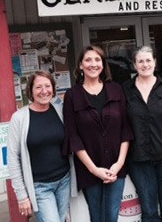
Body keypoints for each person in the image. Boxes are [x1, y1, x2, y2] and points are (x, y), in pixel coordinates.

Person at [63, 45, 133, 222]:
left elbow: (126, 128)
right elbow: (73, 136)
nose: (93, 64)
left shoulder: (116, 90)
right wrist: (94, 170)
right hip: (89, 169)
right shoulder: (72, 95)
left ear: (103, 64)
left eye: (97, 60)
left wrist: (119, 163)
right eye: (88, 60)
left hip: (116, 167)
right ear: (80, 65)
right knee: (97, 217)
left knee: (111, 216)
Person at [7, 70, 77, 222]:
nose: (44, 91)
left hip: (64, 180)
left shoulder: (60, 110)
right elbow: (12, 158)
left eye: (47, 86)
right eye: (38, 87)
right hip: (40, 187)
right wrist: (22, 195)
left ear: (53, 88)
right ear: (30, 91)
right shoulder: (19, 118)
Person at [122, 45, 162, 222]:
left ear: (154, 62)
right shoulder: (125, 89)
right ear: (134, 64)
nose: (145, 64)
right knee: (148, 209)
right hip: (139, 159)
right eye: (140, 61)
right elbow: (123, 124)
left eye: (148, 60)